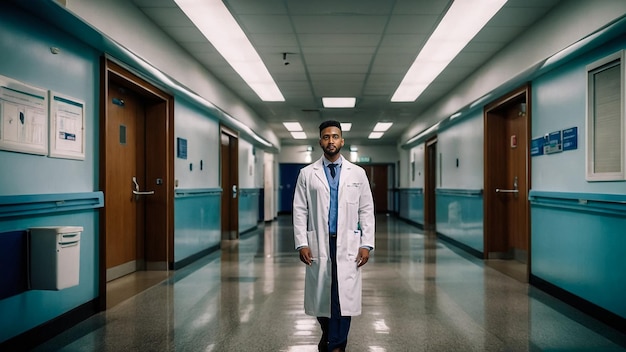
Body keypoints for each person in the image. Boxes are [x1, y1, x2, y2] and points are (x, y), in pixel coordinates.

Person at [293, 120, 375, 352]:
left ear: (342, 140)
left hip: (348, 243)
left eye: (335, 136)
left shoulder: (357, 173)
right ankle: (328, 333)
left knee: (343, 296)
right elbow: (300, 210)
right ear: (320, 141)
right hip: (319, 242)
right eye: (327, 137)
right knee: (323, 295)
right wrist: (302, 243)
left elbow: (366, 209)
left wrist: (366, 244)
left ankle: (336, 346)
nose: (331, 141)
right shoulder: (307, 174)